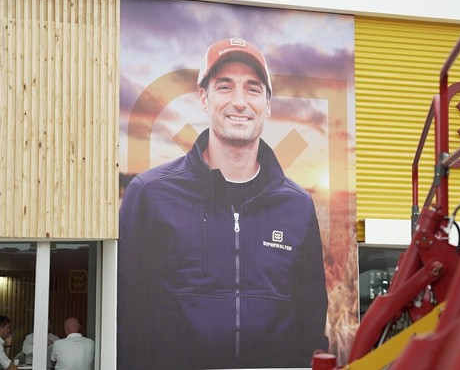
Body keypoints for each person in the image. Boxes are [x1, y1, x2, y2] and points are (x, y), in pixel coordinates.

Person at [118, 37, 329, 368]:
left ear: (268, 104)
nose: (240, 102)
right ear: (204, 98)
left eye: (253, 88)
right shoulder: (149, 194)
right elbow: (127, 320)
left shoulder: (298, 206)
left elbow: (312, 322)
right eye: (225, 87)